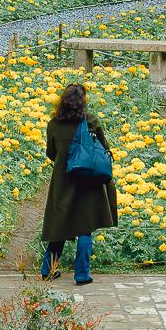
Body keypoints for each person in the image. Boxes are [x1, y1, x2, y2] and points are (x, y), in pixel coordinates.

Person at [41, 83, 118, 285]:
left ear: (62, 101)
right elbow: (104, 149)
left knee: (59, 224)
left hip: (63, 180)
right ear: (83, 101)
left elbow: (51, 154)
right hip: (88, 180)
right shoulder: (91, 121)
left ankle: (48, 269)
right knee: (85, 226)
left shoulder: (53, 124)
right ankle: (82, 274)